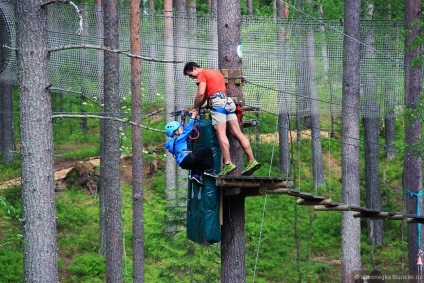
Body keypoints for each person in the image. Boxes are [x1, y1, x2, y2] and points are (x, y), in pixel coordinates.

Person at [183, 61, 261, 176]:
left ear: (194, 68)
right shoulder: (215, 73)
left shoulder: (202, 75)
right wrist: (201, 105)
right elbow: (205, 95)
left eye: (190, 74)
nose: (192, 78)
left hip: (218, 103)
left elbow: (200, 94)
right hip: (228, 102)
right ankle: (252, 160)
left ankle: (228, 163)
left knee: (221, 133)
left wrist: (194, 108)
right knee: (237, 133)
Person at [164, 109, 216, 186]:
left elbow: (183, 131)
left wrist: (183, 120)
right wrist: (193, 116)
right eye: (180, 128)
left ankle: (195, 176)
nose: (181, 128)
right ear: (176, 132)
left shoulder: (172, 143)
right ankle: (209, 170)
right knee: (207, 150)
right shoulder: (179, 138)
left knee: (199, 161)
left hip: (183, 164)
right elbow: (188, 130)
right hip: (187, 158)